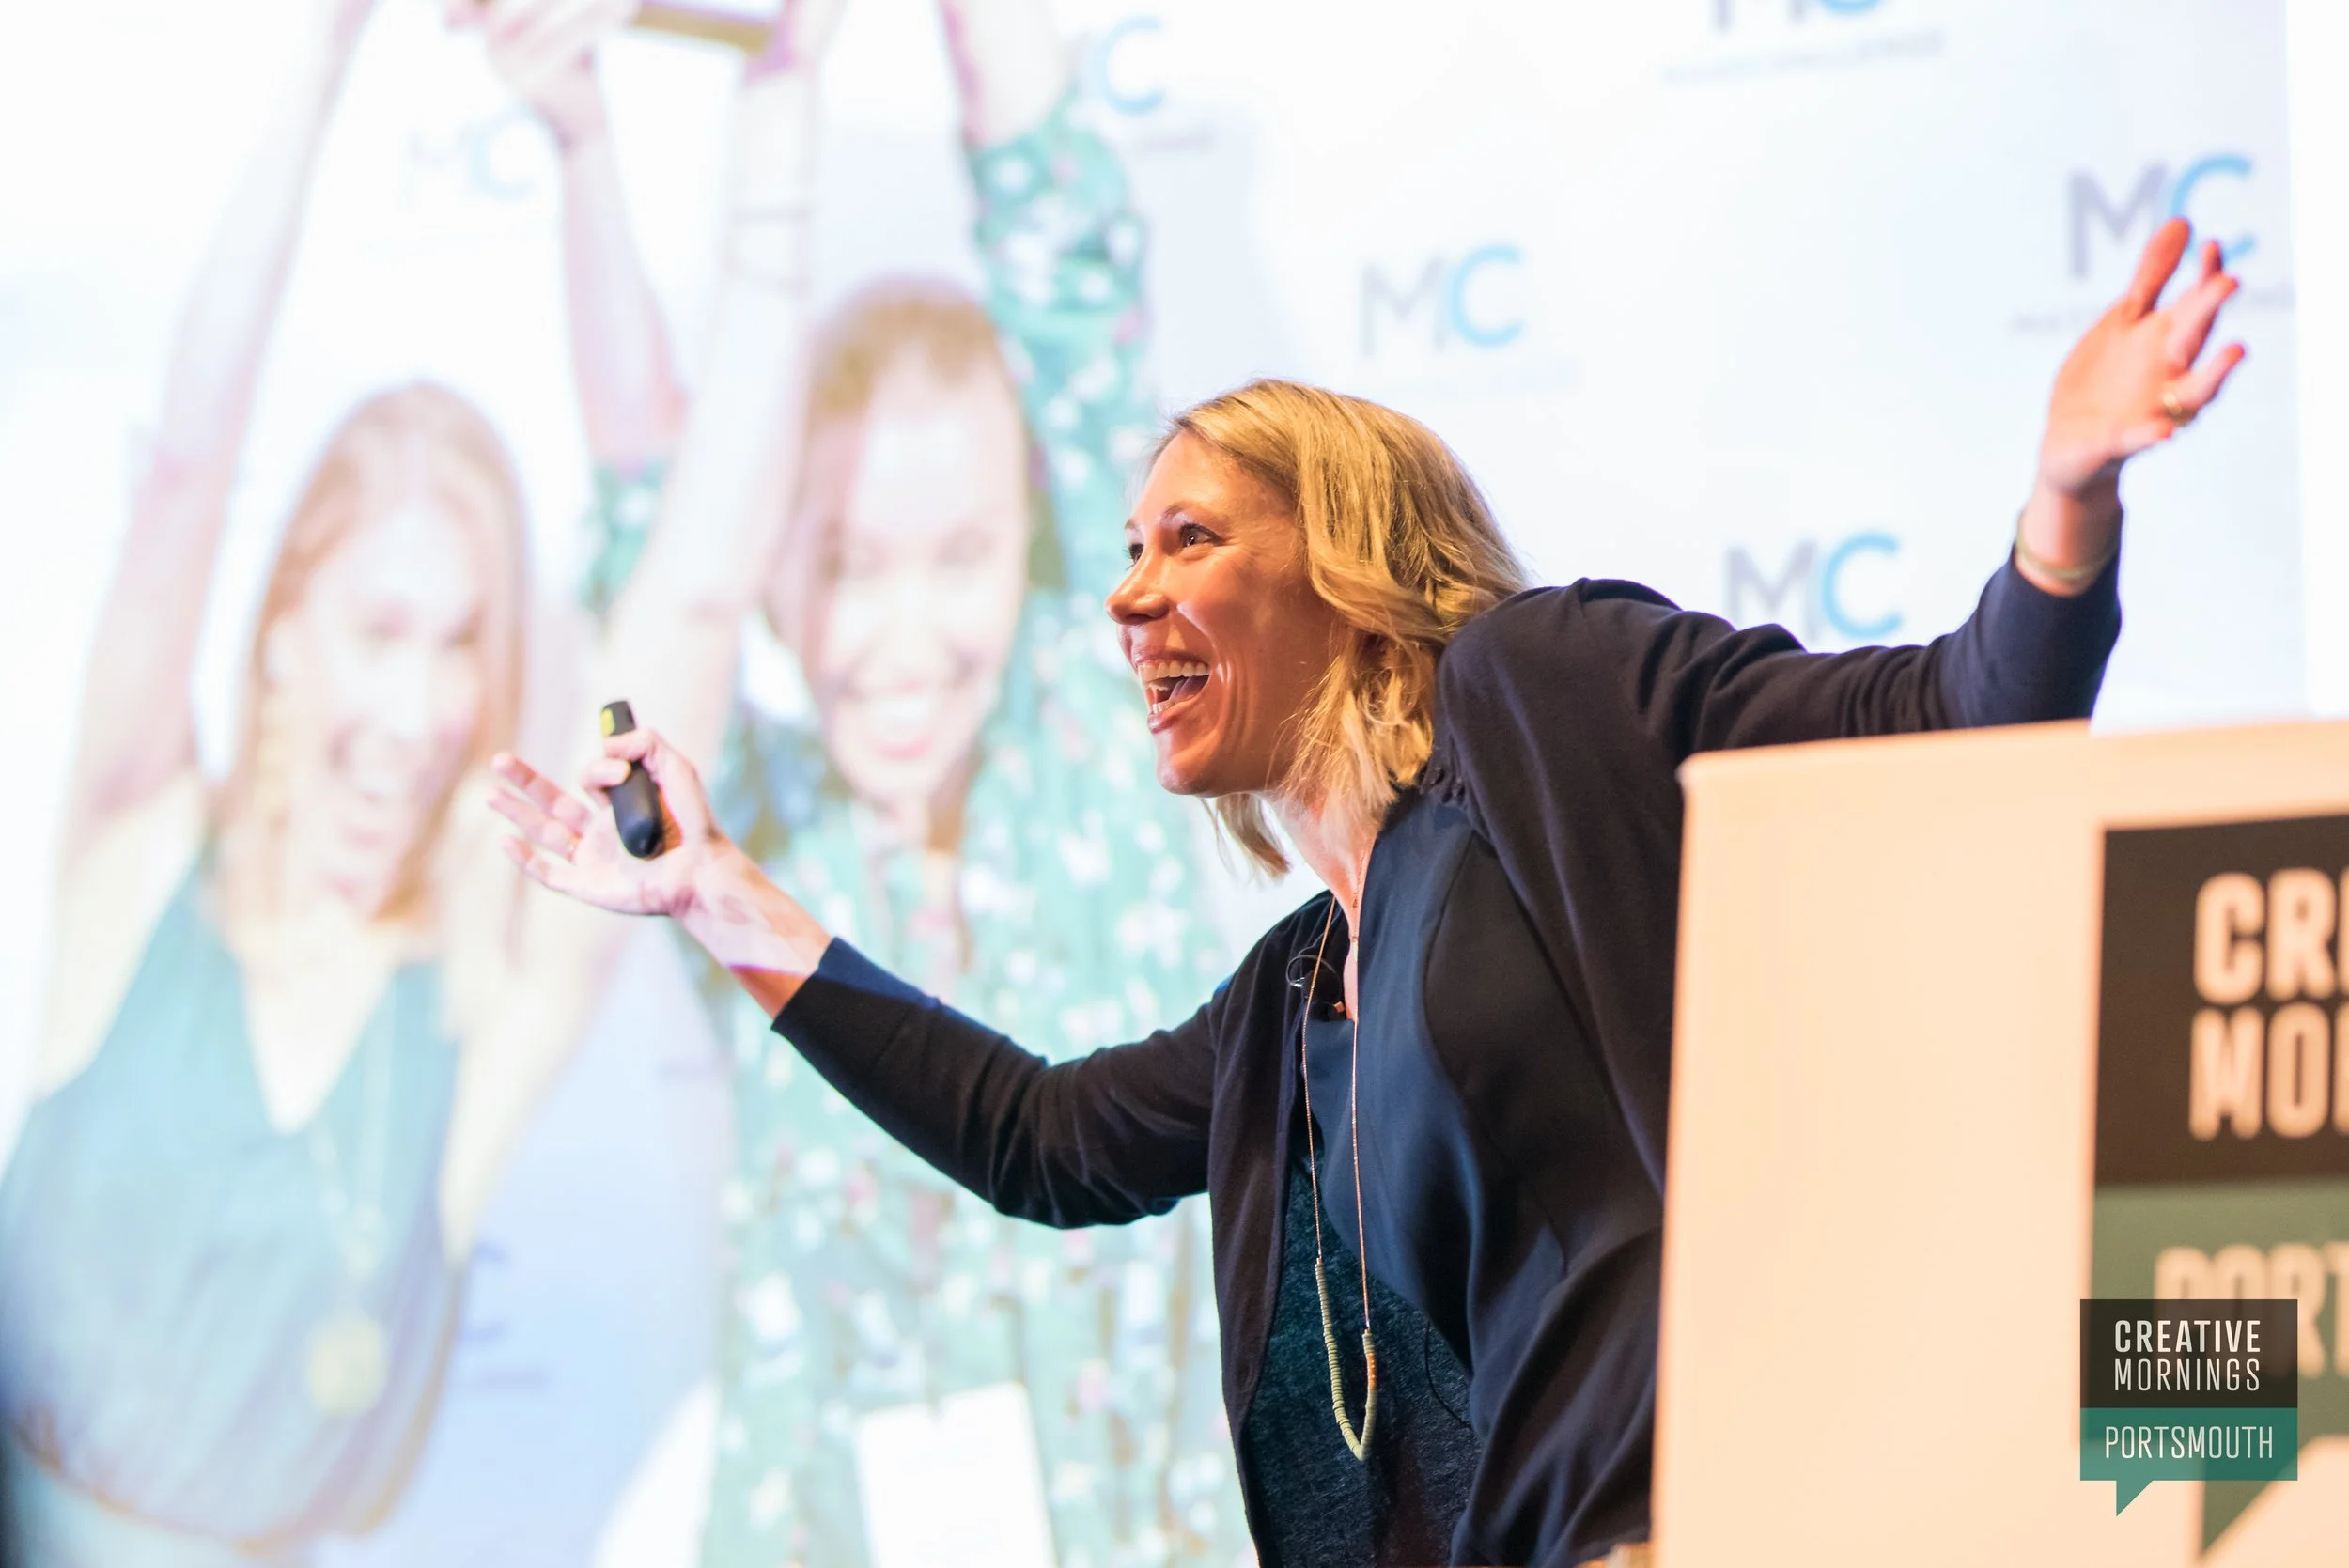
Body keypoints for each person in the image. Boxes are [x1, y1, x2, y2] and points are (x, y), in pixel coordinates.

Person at [490, 219, 2246, 1566]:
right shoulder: (1285, 1005)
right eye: (1124, 553)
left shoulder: (1534, 696)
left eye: (1190, 540)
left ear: (1343, 562)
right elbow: (1040, 1138)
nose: (1126, 600)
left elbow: (1948, 721)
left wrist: (2065, 501)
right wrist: (718, 897)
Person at [0, 0, 818, 1557]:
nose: (422, 708)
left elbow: (700, 595)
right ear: (281, 628)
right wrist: (320, 52)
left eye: (461, 646)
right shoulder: (135, 852)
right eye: (380, 629)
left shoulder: (476, 1001)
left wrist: (779, 110)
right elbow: (184, 468)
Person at [528, 0, 1249, 1559]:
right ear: (776, 569)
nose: (904, 638)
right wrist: (580, 134)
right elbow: (654, 508)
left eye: (962, 554)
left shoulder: (1095, 724)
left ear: (1035, 551)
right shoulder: (737, 828)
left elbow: (1065, 260)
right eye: (849, 564)